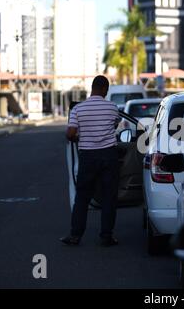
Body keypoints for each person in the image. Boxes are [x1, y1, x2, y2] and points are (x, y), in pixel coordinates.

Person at [61, 75, 121, 246]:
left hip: (88, 156)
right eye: (107, 90)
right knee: (109, 196)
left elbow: (70, 134)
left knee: (82, 197)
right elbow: (115, 124)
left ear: (92, 88)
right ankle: (106, 236)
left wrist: (82, 137)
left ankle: (75, 235)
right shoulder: (112, 107)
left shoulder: (78, 109)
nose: (107, 92)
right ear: (103, 89)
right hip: (109, 156)